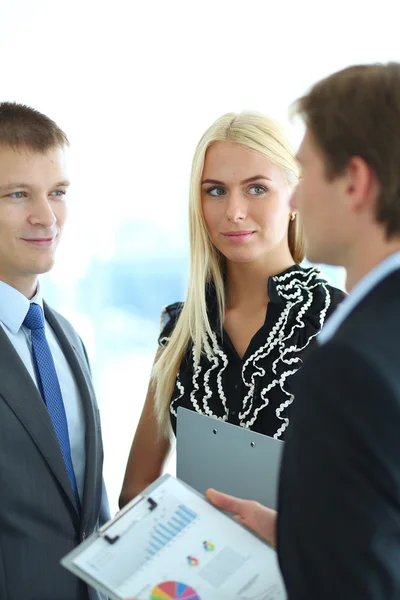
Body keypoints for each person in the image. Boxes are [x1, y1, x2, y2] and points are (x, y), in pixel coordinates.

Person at [208, 62, 400, 598]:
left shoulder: (351, 357)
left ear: (356, 183)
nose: (294, 199)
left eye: (306, 172)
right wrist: (302, 538)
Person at [120, 111, 345, 507]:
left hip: (311, 564)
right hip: (198, 563)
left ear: (294, 198)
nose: (234, 211)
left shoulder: (342, 320)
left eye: (256, 189)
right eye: (215, 190)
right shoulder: (180, 327)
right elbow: (135, 493)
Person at [0, 102, 110, 600]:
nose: (46, 217)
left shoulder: (65, 337)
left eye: (58, 193)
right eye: (18, 194)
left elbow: (86, 507)